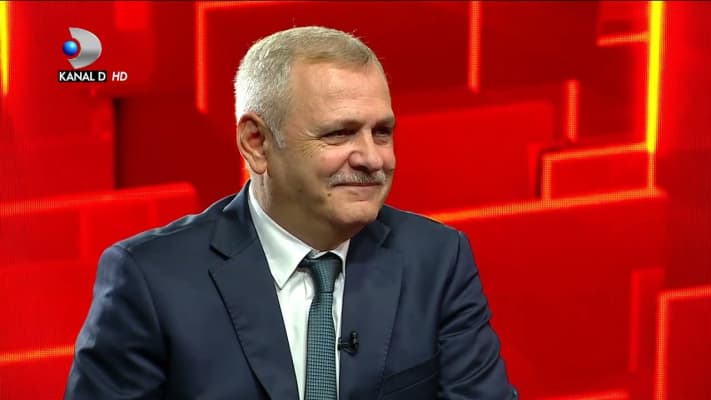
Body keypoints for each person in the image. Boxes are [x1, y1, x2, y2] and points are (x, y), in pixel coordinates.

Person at [65, 26, 517, 399]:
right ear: (257, 143)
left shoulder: (437, 260)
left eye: (382, 132)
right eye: (339, 134)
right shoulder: (150, 280)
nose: (372, 158)